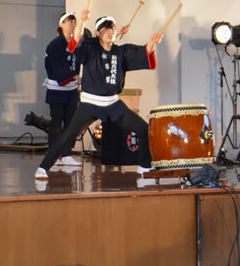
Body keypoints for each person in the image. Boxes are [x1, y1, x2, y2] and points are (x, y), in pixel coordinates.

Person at [35, 12, 162, 180]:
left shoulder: (121, 52)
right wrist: (80, 21)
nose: (110, 32)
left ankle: (144, 166)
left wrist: (153, 42)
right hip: (90, 103)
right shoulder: (90, 49)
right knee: (67, 135)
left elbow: (142, 52)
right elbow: (78, 39)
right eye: (105, 29)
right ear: (97, 33)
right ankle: (44, 167)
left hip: (113, 104)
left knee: (143, 129)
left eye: (112, 29)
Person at [44, 12, 82, 166]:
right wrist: (73, 76)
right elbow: (57, 66)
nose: (73, 25)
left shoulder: (76, 43)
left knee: (70, 124)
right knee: (56, 124)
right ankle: (53, 155)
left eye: (74, 22)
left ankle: (67, 155)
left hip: (71, 90)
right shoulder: (55, 44)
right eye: (69, 22)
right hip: (57, 90)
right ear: (61, 24)